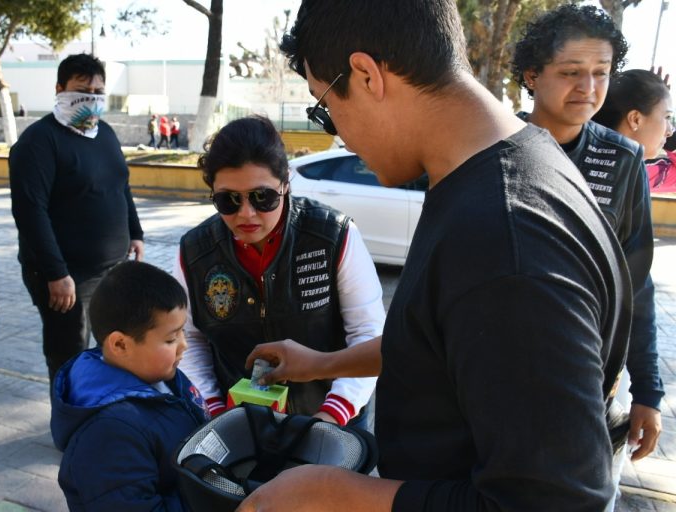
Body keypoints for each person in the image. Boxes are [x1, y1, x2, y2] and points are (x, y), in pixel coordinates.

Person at [236, 1, 632, 510]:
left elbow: (553, 501)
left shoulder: (504, 239)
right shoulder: (504, 165)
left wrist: (334, 492)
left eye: (324, 105)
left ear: (366, 74)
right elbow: (452, 338)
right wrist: (323, 363)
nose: (339, 133)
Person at [511, 5, 664, 487]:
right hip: (496, 375)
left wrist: (648, 393)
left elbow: (635, 285)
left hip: (589, 386)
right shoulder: (488, 145)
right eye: (571, 73)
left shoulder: (622, 161)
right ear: (532, 76)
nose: (589, 88)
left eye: (601, 73)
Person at [174, 115, 383, 428]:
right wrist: (216, 412)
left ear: (285, 184)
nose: (246, 213)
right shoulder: (194, 251)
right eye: (228, 200)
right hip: (239, 423)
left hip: (332, 416)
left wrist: (331, 416)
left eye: (263, 197)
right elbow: (190, 339)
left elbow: (368, 334)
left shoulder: (332, 235)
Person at [9, 53, 145, 386]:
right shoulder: (39, 142)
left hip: (111, 270)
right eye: (82, 90)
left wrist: (135, 232)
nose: (92, 99)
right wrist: (57, 273)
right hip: (66, 276)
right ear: (60, 89)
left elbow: (120, 185)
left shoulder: (105, 134)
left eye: (98, 92)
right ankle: (70, 426)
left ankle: (101, 413)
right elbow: (30, 211)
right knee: (69, 355)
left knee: (112, 348)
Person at [51, 260, 209, 511]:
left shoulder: (161, 374)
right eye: (170, 339)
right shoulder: (109, 434)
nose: (184, 345)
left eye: (182, 332)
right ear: (121, 345)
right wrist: (215, 499)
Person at [593, 69, 675, 193]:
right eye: (667, 117)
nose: (670, 131)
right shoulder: (636, 173)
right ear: (635, 119)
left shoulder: (577, 158)